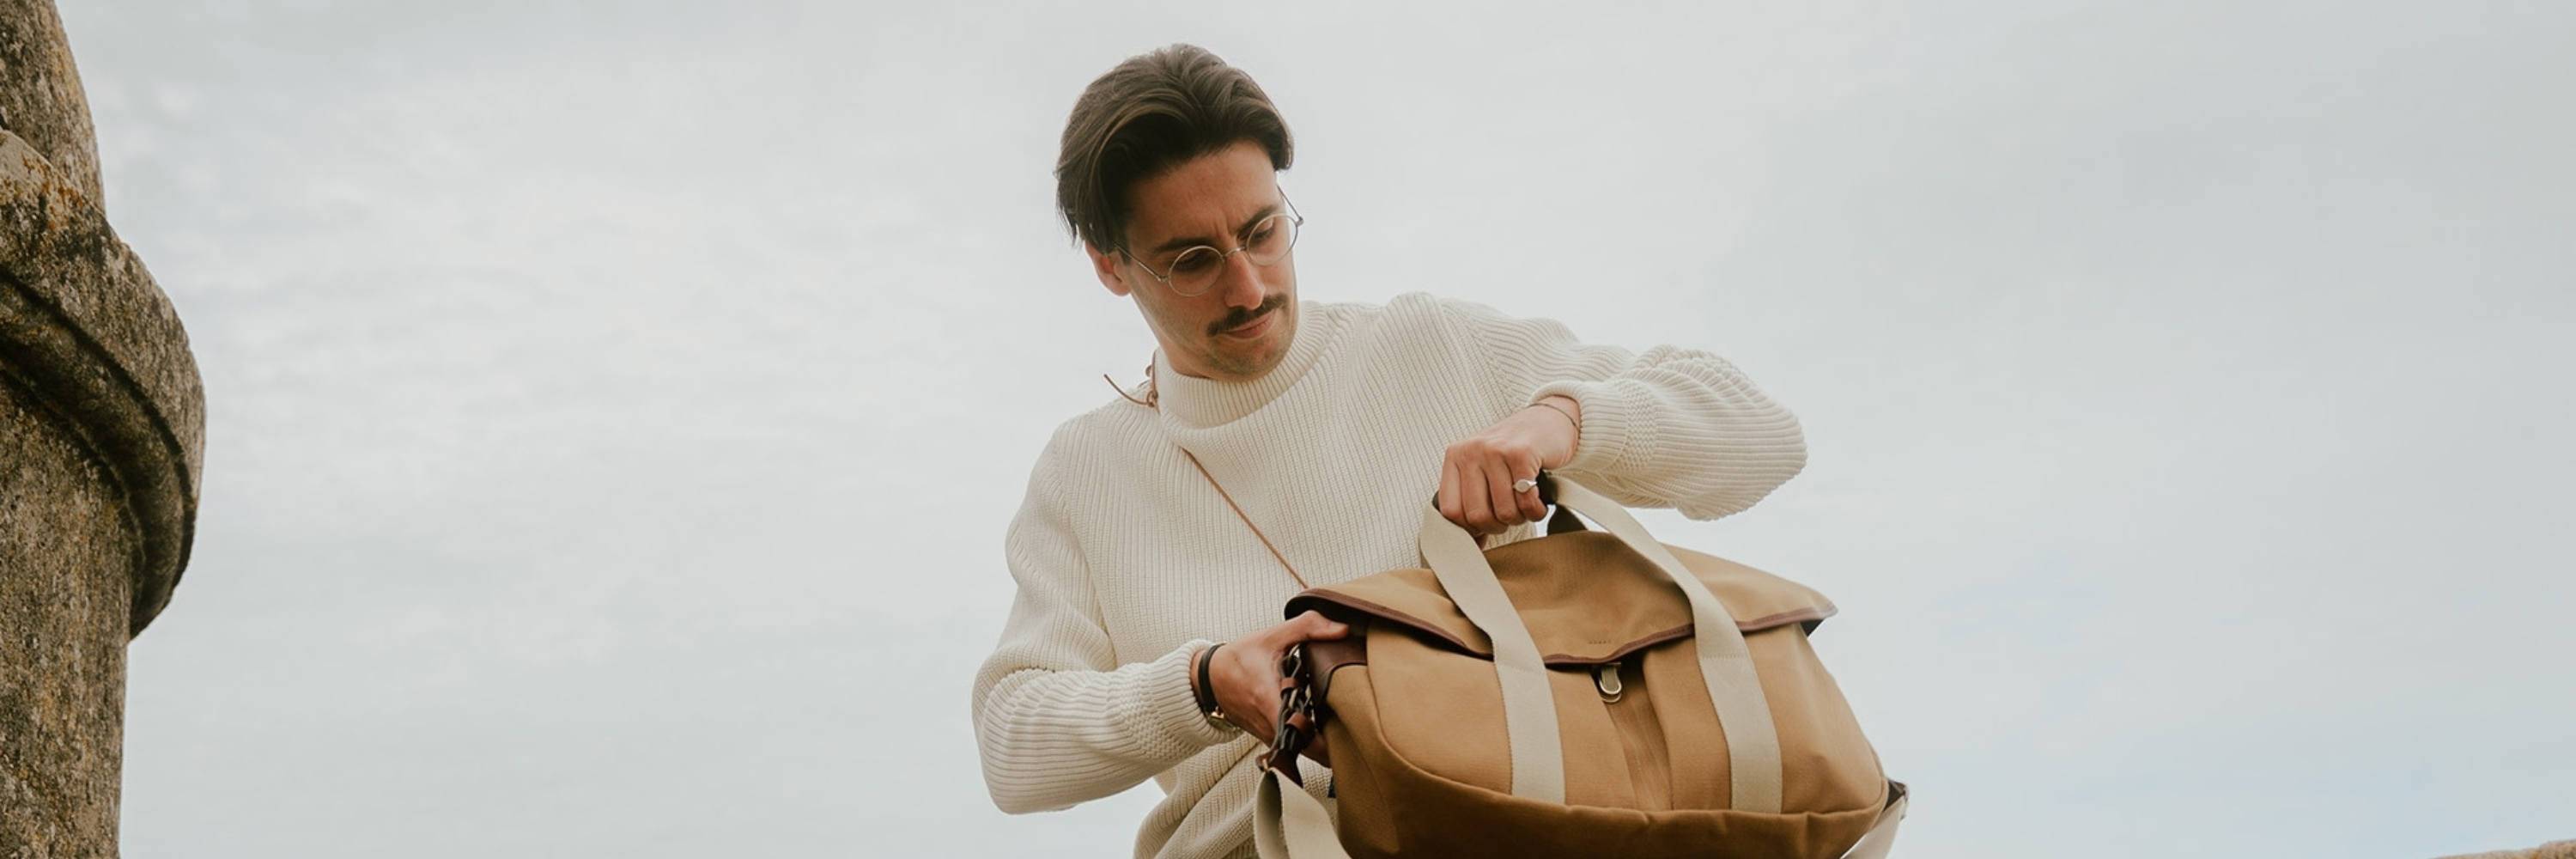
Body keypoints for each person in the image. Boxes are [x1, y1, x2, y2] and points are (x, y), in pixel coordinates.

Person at [969, 44, 1809, 859]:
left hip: (1525, 818)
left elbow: (1767, 434)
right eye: (1192, 261)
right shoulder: (1086, 474)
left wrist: (1562, 420)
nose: (1249, 286)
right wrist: (1204, 684)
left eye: (1263, 231)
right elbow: (1013, 746)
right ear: (1111, 266)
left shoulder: (1433, 347)